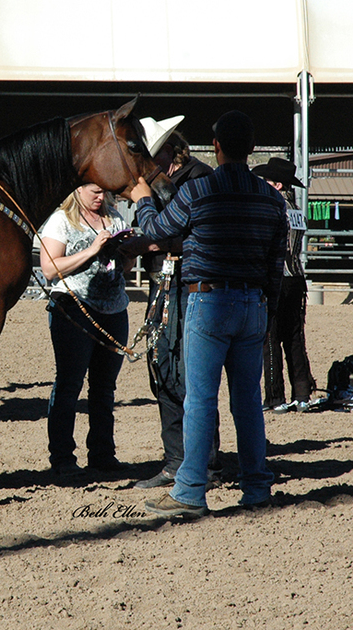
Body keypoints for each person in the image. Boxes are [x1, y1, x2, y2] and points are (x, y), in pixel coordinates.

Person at [129, 110, 287, 518]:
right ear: (252, 149)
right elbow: (276, 262)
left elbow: (157, 230)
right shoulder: (272, 199)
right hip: (253, 302)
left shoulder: (198, 191)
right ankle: (255, 486)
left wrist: (142, 199)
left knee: (200, 399)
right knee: (248, 401)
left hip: (208, 299)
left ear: (215, 147)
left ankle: (191, 489)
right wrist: (266, 305)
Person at [129, 124, 224, 490]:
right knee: (163, 368)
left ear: (172, 150)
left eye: (154, 155)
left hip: (189, 286)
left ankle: (205, 462)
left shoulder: (197, 178)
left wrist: (147, 242)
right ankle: (175, 459)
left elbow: (184, 234)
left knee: (190, 373)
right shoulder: (163, 183)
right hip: (165, 285)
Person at [39, 183, 133, 478]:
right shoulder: (60, 220)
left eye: (104, 192)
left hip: (114, 308)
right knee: (69, 384)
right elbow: (50, 269)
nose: (100, 197)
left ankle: (102, 454)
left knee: (105, 388)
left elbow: (125, 269)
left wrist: (125, 251)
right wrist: (93, 250)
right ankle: (63, 457)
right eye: (94, 191)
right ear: (77, 188)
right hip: (74, 307)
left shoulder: (116, 218)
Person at [251, 157, 317, 413]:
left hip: (276, 278)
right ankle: (302, 393)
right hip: (297, 279)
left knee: (270, 338)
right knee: (295, 337)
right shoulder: (297, 211)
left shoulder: (271, 208)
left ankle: (275, 396)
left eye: (267, 181)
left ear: (277, 185)